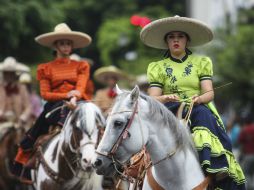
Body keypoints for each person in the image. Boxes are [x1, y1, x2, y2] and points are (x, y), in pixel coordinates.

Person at [140, 15, 246, 189]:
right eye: (171, 37)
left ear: (187, 41)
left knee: (204, 114)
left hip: (196, 106)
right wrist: (165, 97)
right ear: (166, 41)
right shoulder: (157, 67)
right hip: (168, 109)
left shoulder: (200, 62)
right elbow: (153, 98)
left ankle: (214, 167)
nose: (175, 40)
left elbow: (209, 93)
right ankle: (133, 169)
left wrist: (199, 99)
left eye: (180, 37)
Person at [11, 23, 92, 183]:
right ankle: (23, 165)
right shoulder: (45, 68)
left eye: (68, 43)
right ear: (55, 45)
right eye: (62, 43)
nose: (66, 46)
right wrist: (66, 95)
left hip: (78, 101)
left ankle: (109, 167)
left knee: (100, 125)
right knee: (35, 129)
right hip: (55, 105)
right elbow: (45, 94)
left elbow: (81, 86)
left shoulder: (81, 65)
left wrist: (75, 97)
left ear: (72, 45)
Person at [0, 57, 31, 126]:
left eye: (11, 73)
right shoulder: (0, 88)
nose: (8, 76)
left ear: (15, 74)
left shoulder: (22, 88)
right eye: (6, 73)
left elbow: (28, 107)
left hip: (19, 123)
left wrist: (23, 117)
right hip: (2, 123)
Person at [238, 114, 254, 190]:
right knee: (251, 173)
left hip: (248, 155)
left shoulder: (245, 130)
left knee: (245, 173)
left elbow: (240, 142)